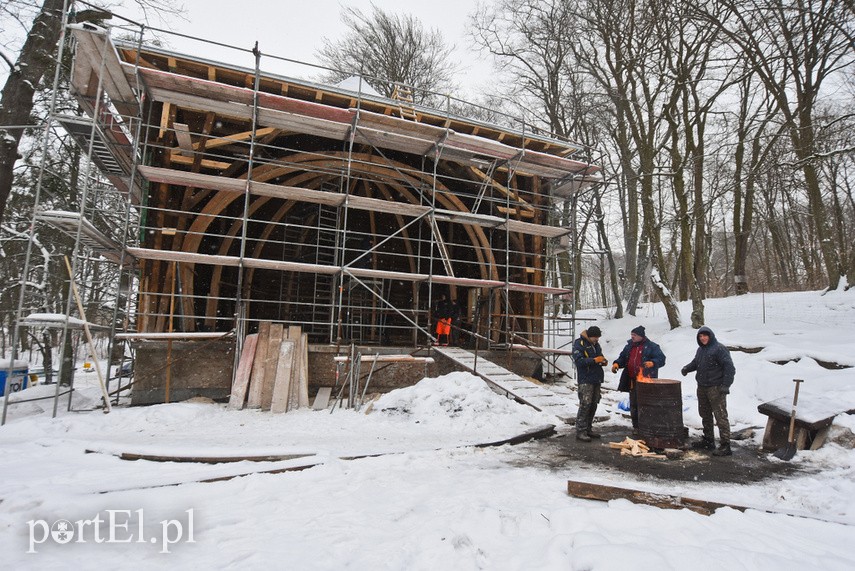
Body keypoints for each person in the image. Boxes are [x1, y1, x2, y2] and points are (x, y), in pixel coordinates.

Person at [681, 326, 736, 457]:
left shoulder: (719, 349)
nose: (703, 338)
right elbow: (696, 363)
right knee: (705, 414)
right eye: (700, 336)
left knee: (720, 416)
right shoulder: (701, 350)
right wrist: (687, 368)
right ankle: (708, 440)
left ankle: (725, 445)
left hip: (716, 388)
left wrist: (726, 385)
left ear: (710, 336)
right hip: (702, 387)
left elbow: (729, 368)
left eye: (705, 336)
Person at [611, 326, 666, 433]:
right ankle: (636, 426)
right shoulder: (629, 346)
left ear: (641, 336)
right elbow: (622, 357)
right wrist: (617, 363)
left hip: (646, 381)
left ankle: (646, 426)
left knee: (646, 404)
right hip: (632, 380)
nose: (632, 337)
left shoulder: (652, 346)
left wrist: (653, 363)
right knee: (634, 404)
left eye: (634, 335)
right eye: (631, 335)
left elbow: (662, 359)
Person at [572, 325, 607, 442]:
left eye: (598, 337)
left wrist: (602, 361)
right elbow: (579, 361)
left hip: (596, 378)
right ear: (590, 336)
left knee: (593, 404)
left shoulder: (596, 345)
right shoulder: (579, 344)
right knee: (585, 404)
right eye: (595, 337)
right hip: (585, 379)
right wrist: (593, 360)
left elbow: (600, 356)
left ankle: (588, 428)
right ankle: (580, 430)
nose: (597, 339)